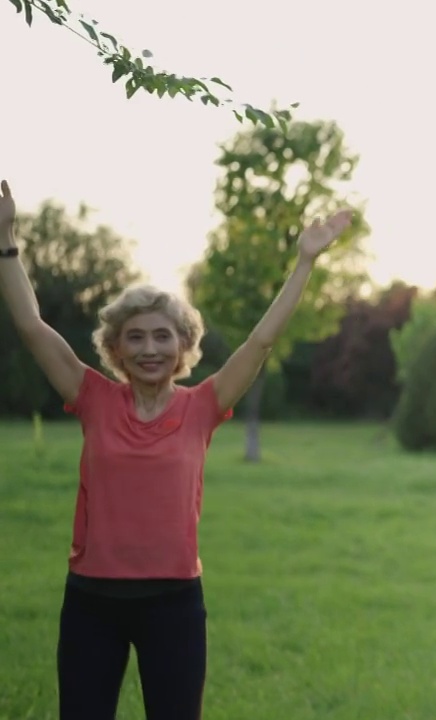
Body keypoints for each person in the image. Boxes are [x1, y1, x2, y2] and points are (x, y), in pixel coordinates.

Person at [0, 178, 353, 720]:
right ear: (115, 348)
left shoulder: (203, 406)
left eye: (162, 336)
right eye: (135, 337)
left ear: (184, 346)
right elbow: (30, 325)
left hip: (174, 603)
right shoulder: (92, 397)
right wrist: (6, 243)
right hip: (92, 600)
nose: (149, 348)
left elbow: (261, 342)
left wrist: (304, 261)